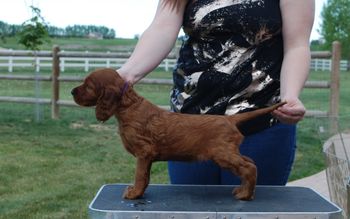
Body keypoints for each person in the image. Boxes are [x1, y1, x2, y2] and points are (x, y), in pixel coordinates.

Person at [118, 0, 315, 185]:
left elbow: (297, 45)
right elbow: (163, 27)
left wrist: (290, 95)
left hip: (260, 126)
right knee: (191, 211)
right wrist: (126, 74)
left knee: (252, 209)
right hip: (186, 127)